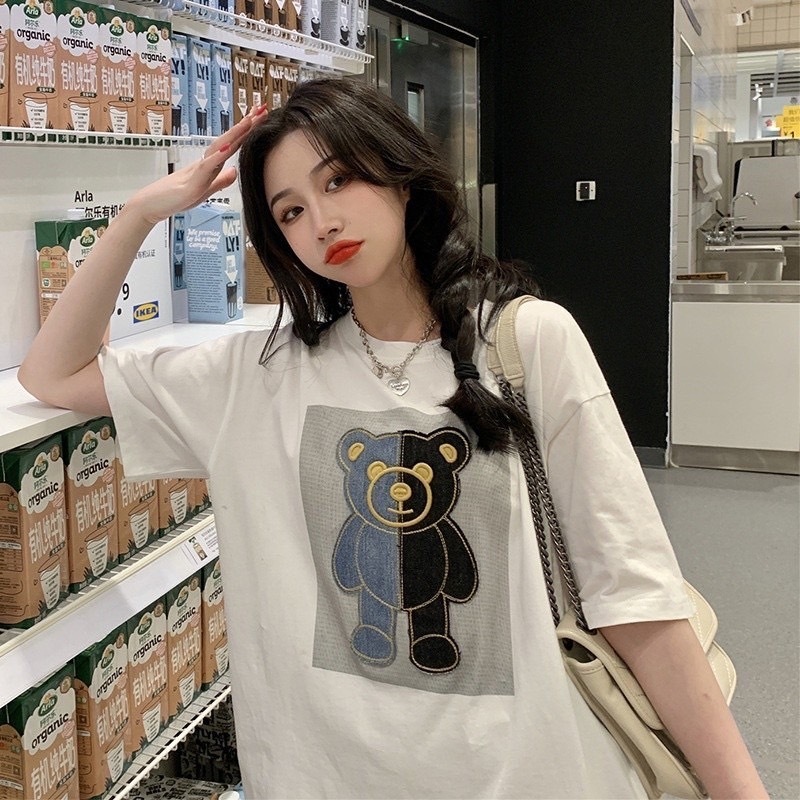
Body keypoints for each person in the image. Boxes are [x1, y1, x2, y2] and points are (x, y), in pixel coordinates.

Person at [19, 79, 767, 799]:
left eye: (339, 180)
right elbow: (53, 372)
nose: (322, 222)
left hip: (525, 775)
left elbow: (633, 594)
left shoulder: (528, 343)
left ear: (401, 176)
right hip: (322, 780)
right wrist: (140, 213)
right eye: (290, 211)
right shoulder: (253, 378)